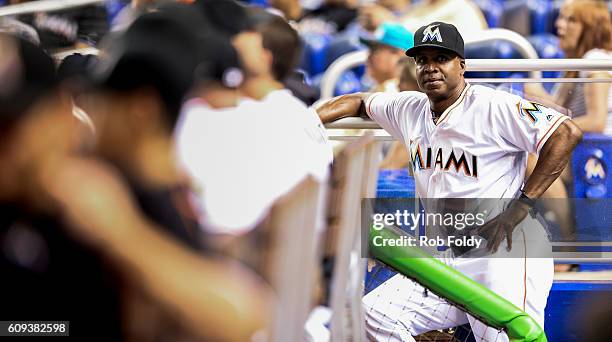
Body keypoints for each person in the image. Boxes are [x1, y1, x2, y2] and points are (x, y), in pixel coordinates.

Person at [316, 21, 583, 341]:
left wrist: (520, 207)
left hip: (504, 252)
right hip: (450, 254)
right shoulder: (409, 108)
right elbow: (358, 101)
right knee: (373, 317)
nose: (430, 67)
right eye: (422, 60)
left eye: (441, 58)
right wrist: (307, 119)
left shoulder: (493, 105)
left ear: (462, 64)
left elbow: (566, 132)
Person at [360, 22, 413, 92]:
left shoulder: (406, 95)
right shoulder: (378, 90)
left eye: (374, 49)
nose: (369, 56)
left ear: (399, 55)